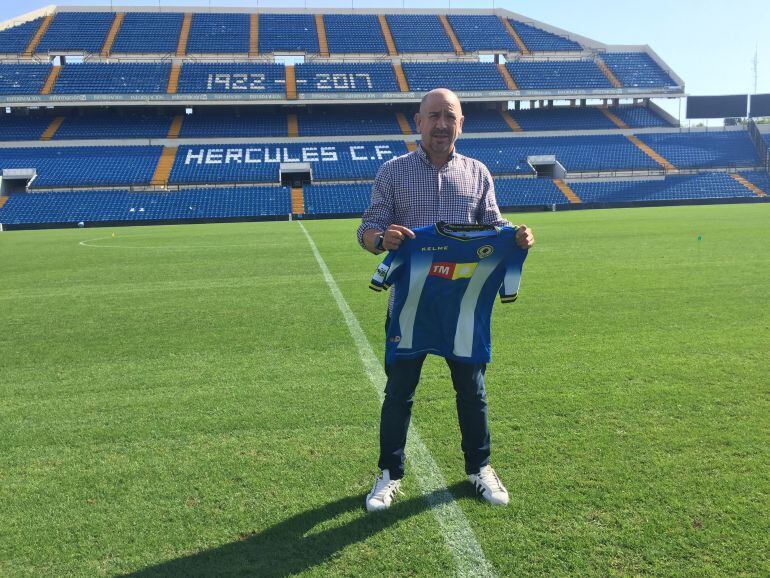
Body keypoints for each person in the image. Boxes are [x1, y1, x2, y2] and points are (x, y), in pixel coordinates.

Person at [357, 88, 535, 512]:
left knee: (472, 391)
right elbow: (367, 229)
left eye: (449, 116)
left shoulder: (477, 172)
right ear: (417, 122)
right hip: (410, 304)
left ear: (460, 124)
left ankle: (480, 467)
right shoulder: (392, 172)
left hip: (463, 304)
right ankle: (389, 474)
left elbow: (493, 224)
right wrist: (382, 239)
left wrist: (518, 236)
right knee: (399, 392)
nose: (441, 124)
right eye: (433, 116)